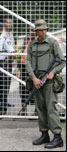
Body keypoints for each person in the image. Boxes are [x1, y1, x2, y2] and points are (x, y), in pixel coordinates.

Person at [26, 19, 66, 149]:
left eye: (44, 29)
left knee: (51, 109)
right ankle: (44, 134)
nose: (43, 32)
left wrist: (53, 72)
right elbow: (28, 63)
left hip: (49, 82)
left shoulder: (53, 43)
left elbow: (61, 61)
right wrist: (34, 78)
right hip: (37, 82)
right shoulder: (32, 45)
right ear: (36, 31)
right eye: (40, 30)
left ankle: (58, 137)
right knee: (41, 109)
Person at [0, 22, 15, 115]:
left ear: (1, 30)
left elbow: (12, 52)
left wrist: (4, 63)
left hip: (4, 63)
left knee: (4, 86)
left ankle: (3, 108)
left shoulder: (6, 39)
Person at [17, 26, 37, 116]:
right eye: (30, 30)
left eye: (33, 30)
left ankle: (36, 110)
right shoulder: (26, 39)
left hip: (34, 68)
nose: (31, 32)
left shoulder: (38, 41)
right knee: (22, 88)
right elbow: (22, 50)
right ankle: (24, 108)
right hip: (24, 66)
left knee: (35, 88)